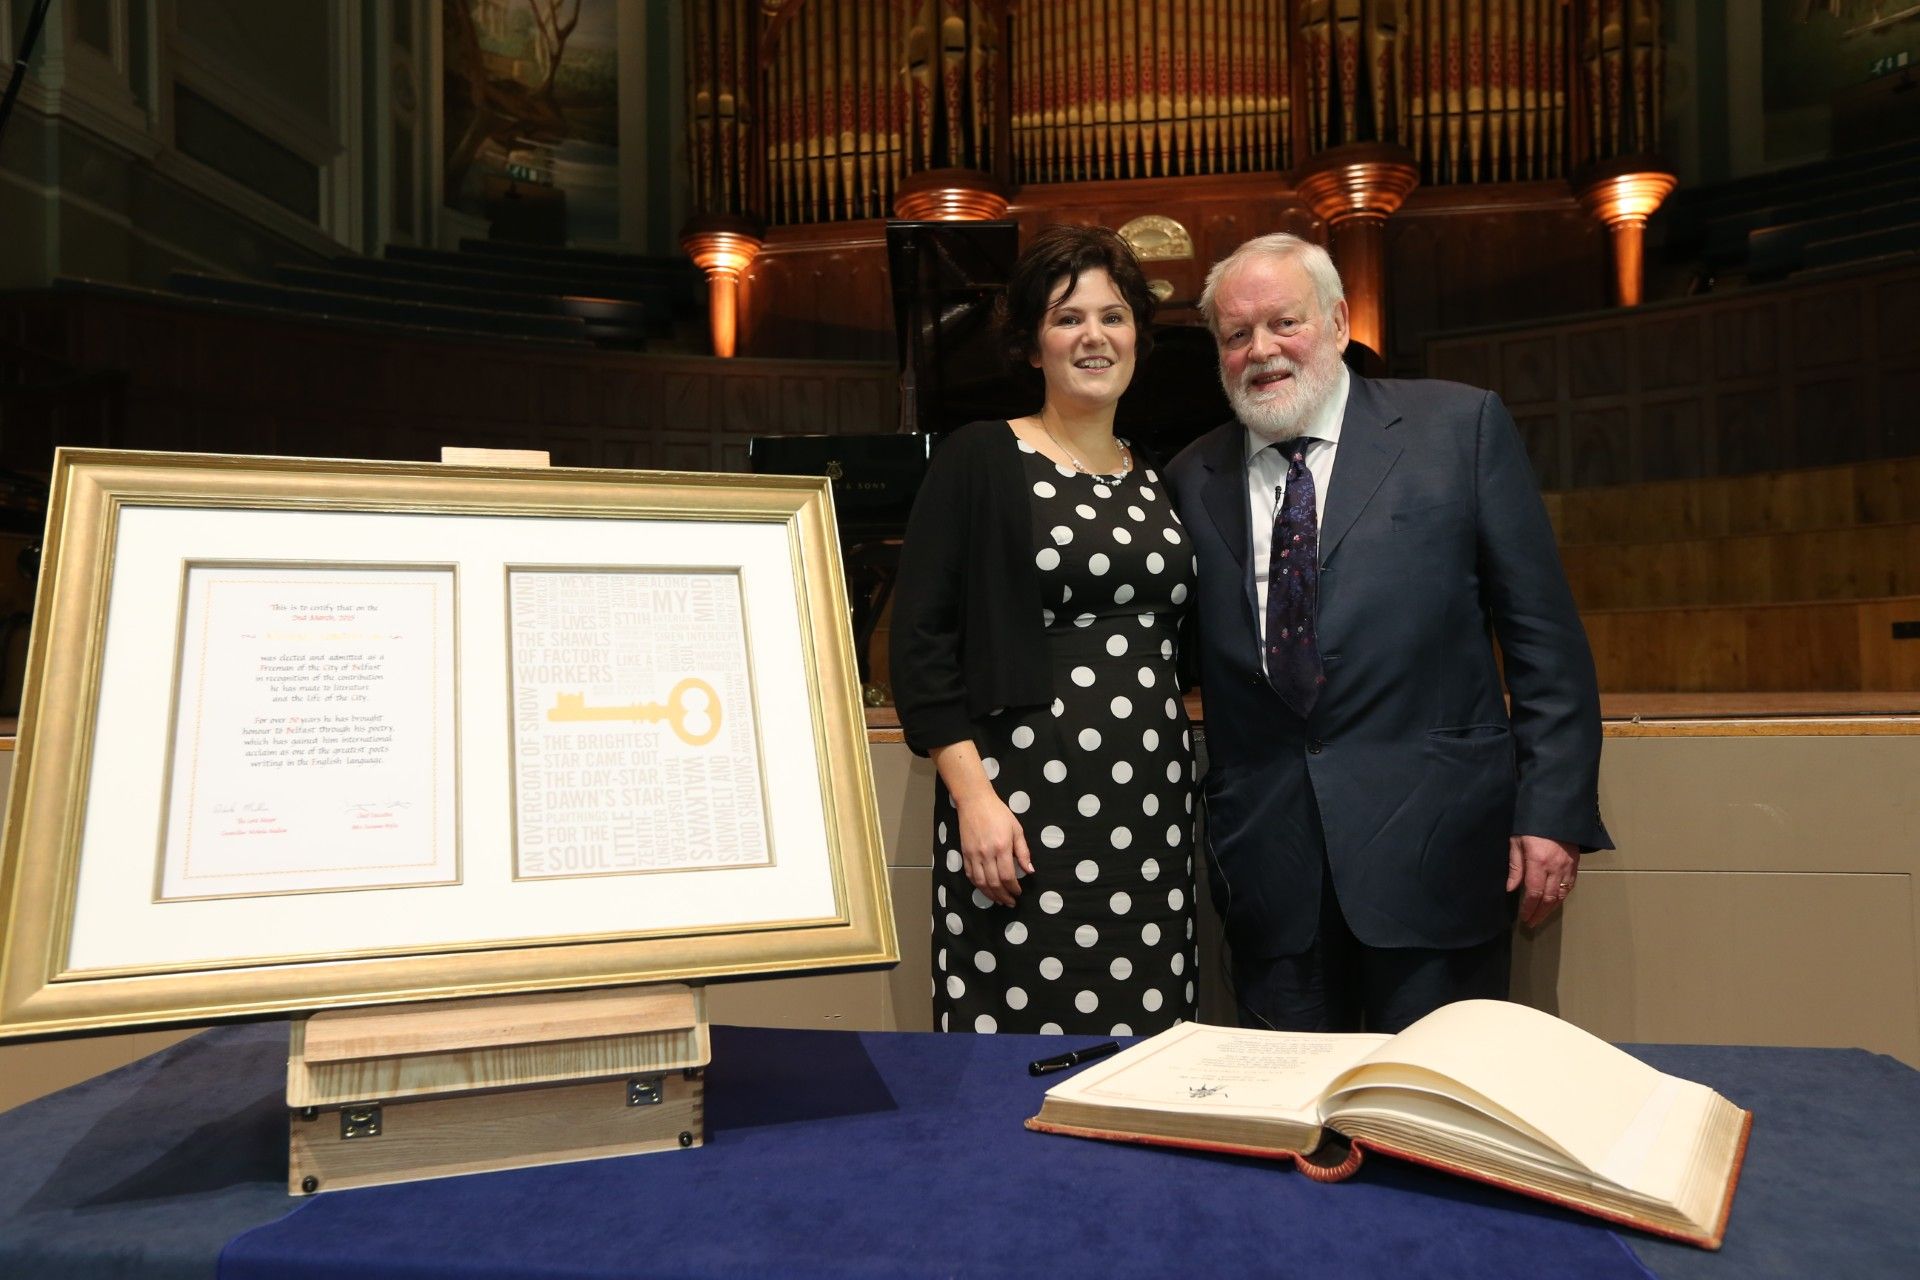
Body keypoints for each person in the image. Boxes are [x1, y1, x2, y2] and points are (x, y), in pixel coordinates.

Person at [1165, 232, 1611, 1035]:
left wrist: (1553, 811)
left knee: (1438, 1118)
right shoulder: (1190, 479)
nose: (1261, 350)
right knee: (1290, 1127)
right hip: (1271, 872)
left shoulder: (1458, 427)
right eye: (1236, 335)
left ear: (1337, 322)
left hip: (1439, 854)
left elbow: (1544, 639)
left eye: (1283, 323)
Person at [892, 224, 1199, 1036]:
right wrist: (975, 799)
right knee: (1024, 1032)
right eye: (1067, 319)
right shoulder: (982, 456)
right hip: (1024, 801)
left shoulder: (1155, 477)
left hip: (1152, 804)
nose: (1093, 336)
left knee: (1145, 1035)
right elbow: (921, 643)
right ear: (1033, 346)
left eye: (1114, 315)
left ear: (1138, 335)